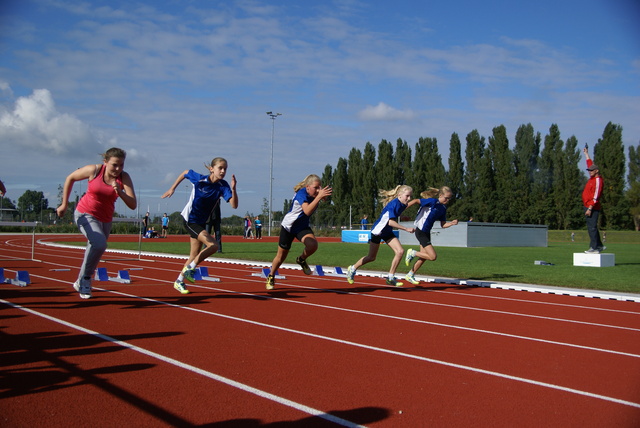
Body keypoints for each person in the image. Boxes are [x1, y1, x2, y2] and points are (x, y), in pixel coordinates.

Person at [56, 147, 137, 299]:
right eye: (114, 165)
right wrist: (64, 204)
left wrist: (120, 192)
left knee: (94, 248)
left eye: (121, 165)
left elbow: (133, 204)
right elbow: (70, 178)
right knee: (99, 244)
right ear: (105, 162)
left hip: (105, 219)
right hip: (85, 213)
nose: (118, 169)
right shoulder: (94, 171)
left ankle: (81, 280)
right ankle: (86, 279)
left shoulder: (124, 177)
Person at [162, 157, 238, 294]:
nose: (223, 171)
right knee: (214, 245)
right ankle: (191, 268)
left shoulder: (223, 186)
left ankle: (179, 281)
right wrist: (172, 188)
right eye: (220, 168)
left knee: (193, 255)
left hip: (201, 221)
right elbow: (185, 172)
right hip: (190, 219)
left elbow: (234, 205)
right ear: (211, 169)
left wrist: (233, 189)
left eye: (225, 169)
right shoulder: (199, 179)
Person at [265, 174, 332, 290]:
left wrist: (321, 197)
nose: (318, 190)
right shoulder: (301, 194)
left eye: (319, 187)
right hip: (289, 227)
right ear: (307, 187)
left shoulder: (315, 195)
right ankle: (271, 275)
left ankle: (301, 259)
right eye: (315, 187)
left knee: (313, 245)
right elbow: (307, 211)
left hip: (301, 227)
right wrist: (318, 198)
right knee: (281, 257)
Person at [346, 185, 415, 287]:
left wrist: (403, 217)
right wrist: (406, 228)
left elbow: (393, 216)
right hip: (378, 231)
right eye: (407, 196)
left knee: (400, 251)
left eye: (410, 196)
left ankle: (390, 277)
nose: (409, 199)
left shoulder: (403, 204)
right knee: (371, 257)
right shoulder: (393, 204)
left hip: (387, 231)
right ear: (399, 195)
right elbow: (390, 222)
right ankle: (352, 269)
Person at [403, 186, 459, 285]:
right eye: (446, 198)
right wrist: (403, 207)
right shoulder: (432, 202)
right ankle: (412, 253)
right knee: (432, 256)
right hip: (420, 231)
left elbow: (443, 225)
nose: (447, 200)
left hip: (427, 232)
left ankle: (410, 274)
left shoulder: (443, 208)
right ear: (440, 195)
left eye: (449, 199)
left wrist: (452, 223)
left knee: (424, 256)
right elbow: (416, 200)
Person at [582, 147, 605, 253]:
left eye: (592, 170)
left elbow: (596, 196)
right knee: (591, 227)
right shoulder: (592, 178)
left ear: (597, 171)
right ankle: (599, 245)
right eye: (589, 170)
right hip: (587, 205)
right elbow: (589, 163)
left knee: (592, 228)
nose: (590, 172)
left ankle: (594, 247)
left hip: (592, 207)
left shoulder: (598, 180)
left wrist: (590, 208)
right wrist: (586, 154)